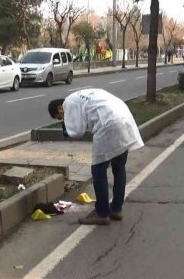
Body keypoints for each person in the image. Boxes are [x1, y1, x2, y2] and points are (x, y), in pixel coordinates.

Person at [48, 89, 144, 225]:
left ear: (59, 108)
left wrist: (65, 129)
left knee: (98, 169)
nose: (63, 119)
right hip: (124, 118)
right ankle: (116, 209)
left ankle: (102, 213)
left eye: (60, 117)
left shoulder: (68, 103)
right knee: (119, 167)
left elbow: (76, 132)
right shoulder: (82, 95)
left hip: (108, 124)